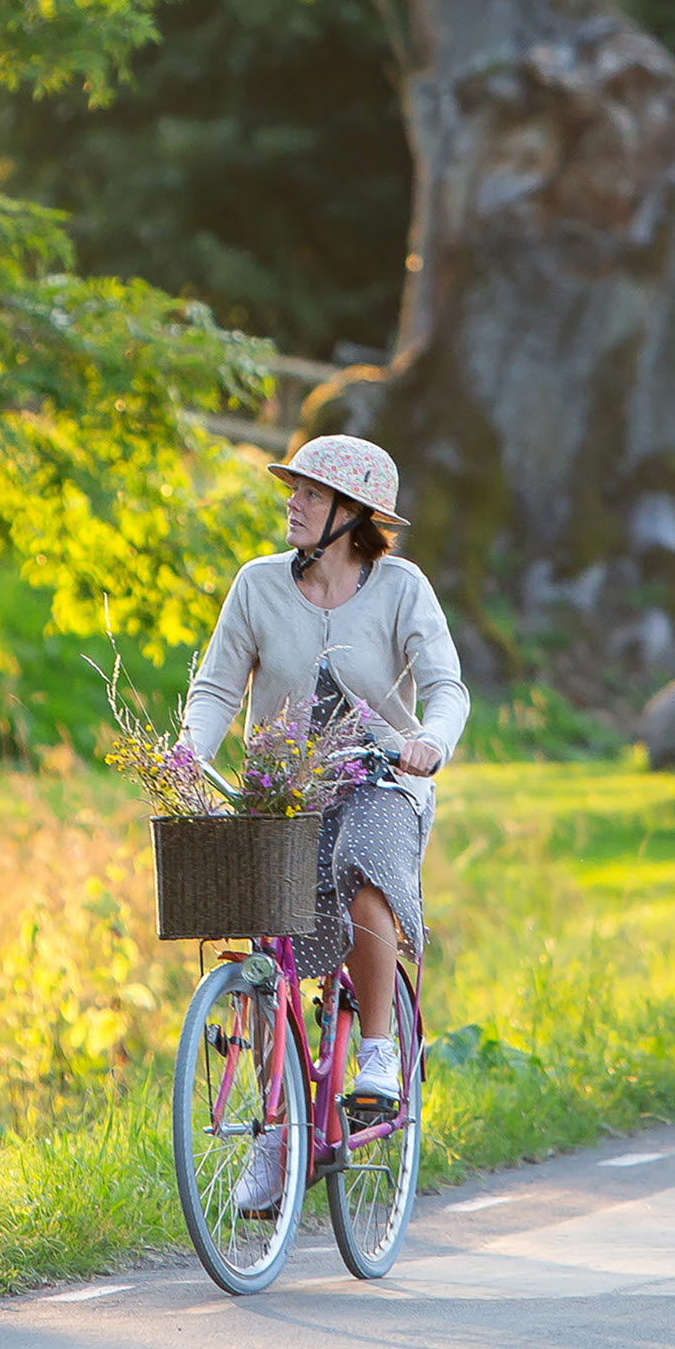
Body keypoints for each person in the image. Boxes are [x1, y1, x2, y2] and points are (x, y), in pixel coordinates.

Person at [180, 434, 468, 1216]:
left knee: (370, 860)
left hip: (383, 780)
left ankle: (376, 1049)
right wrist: (188, 751)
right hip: (284, 789)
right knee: (265, 942)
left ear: (351, 514)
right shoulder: (258, 585)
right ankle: (277, 1131)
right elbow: (214, 688)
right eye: (294, 489)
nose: (293, 502)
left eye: (310, 492)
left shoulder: (401, 588)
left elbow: (447, 686)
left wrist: (430, 742)